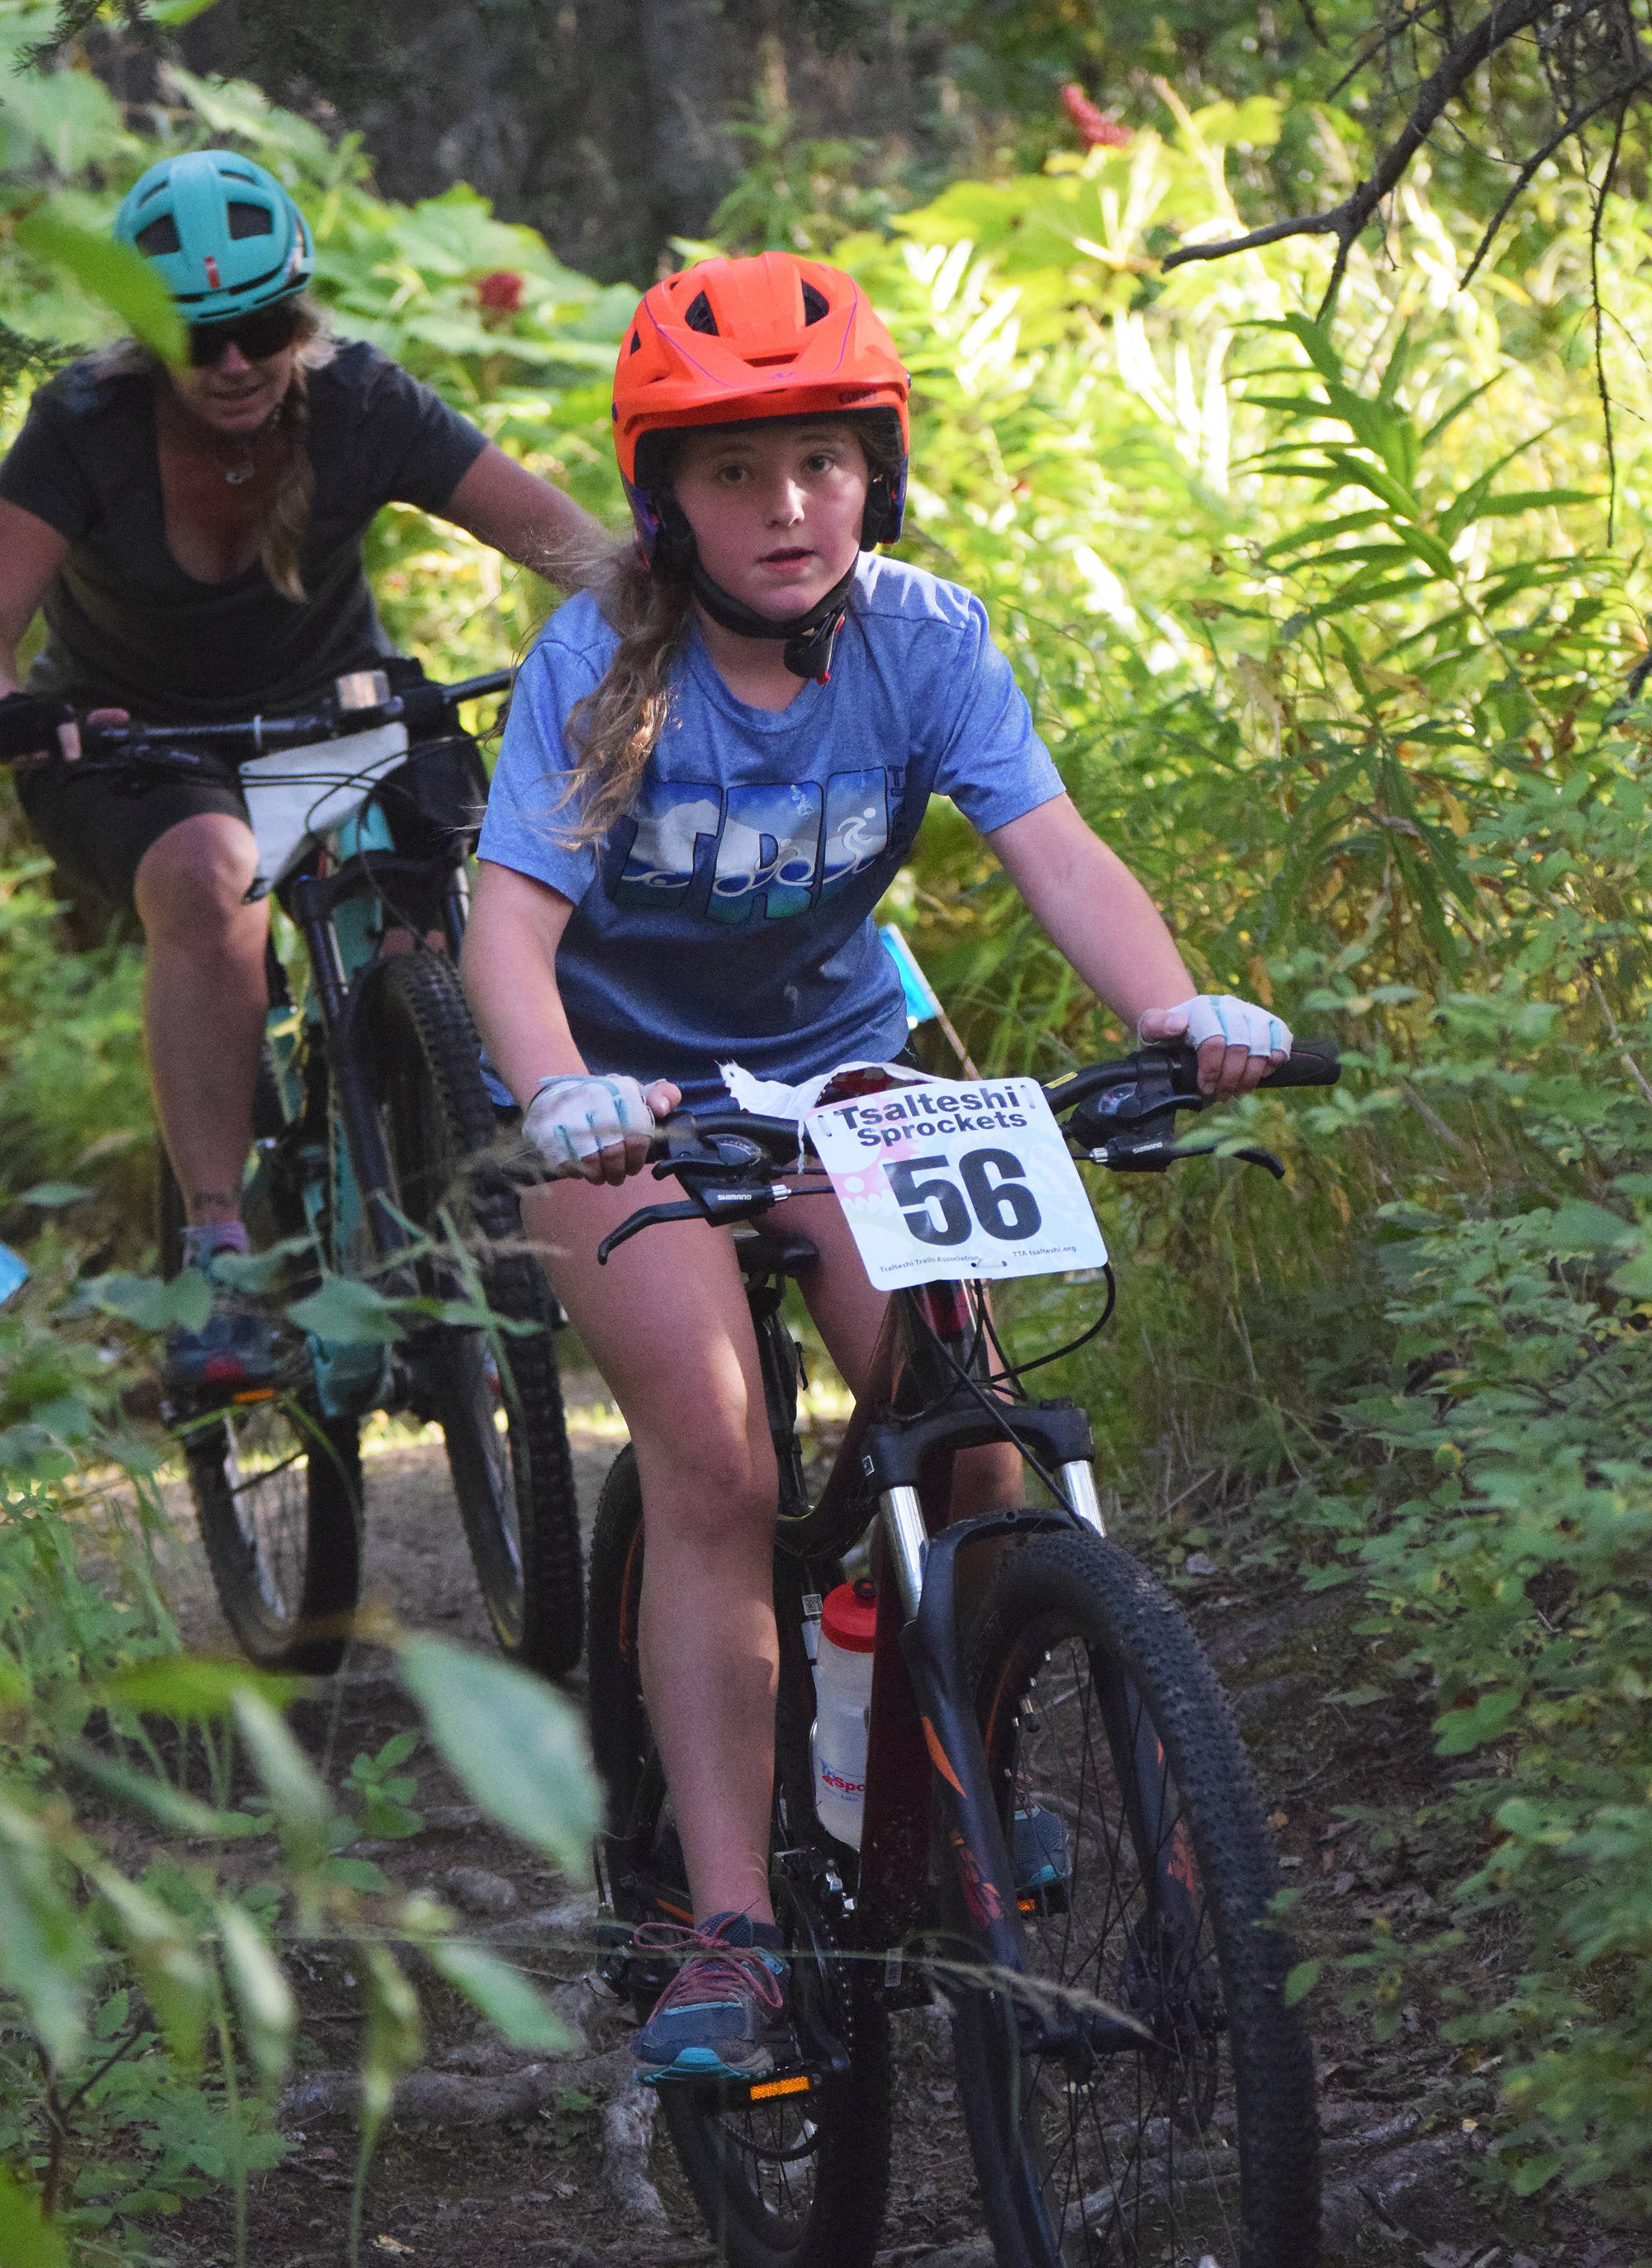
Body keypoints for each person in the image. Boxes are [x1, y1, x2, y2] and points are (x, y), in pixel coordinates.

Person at [460, 249, 1291, 2083]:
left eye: (824, 461)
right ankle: (734, 1930)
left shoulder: (929, 636)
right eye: (737, 471)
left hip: (840, 1056)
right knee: (717, 1450)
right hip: (620, 1091)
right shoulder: (604, 656)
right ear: (662, 498)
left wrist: (1176, 1011)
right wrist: (563, 1092)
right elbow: (506, 932)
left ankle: (942, 1783)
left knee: (973, 1426)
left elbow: (1050, 847)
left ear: (879, 469)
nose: (787, 505)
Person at [0, 149, 605, 1389]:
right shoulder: (80, 430)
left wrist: (685, 617)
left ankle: (435, 1160)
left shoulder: (363, 406)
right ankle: (219, 1256)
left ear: (304, 315)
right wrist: (26, 715)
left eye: (263, 328)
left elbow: (565, 543)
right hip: (128, 747)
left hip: (327, 718)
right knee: (213, 876)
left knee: (440, 868)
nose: (233, 363)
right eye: (197, 336)